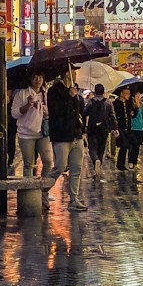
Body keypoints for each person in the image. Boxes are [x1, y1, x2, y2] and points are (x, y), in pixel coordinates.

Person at [47, 69, 87, 211]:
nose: (75, 74)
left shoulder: (74, 90)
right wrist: (68, 97)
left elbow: (78, 112)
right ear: (66, 73)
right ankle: (43, 190)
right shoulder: (54, 91)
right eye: (73, 72)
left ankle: (73, 198)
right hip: (62, 135)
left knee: (76, 168)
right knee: (60, 166)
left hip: (76, 134)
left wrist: (82, 131)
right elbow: (55, 111)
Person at [11, 72, 52, 192]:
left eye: (40, 77)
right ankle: (28, 191)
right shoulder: (22, 94)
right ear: (30, 79)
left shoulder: (46, 94)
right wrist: (27, 106)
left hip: (43, 132)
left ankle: (43, 190)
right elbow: (14, 114)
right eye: (35, 77)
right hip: (26, 133)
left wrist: (46, 111)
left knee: (48, 161)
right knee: (28, 164)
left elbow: (52, 111)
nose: (38, 80)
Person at [85, 82, 118, 178]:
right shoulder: (108, 102)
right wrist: (115, 128)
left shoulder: (90, 102)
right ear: (103, 92)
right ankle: (99, 162)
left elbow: (85, 112)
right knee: (101, 147)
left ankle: (95, 160)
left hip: (92, 128)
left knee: (92, 147)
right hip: (104, 128)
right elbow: (112, 116)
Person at [127, 91, 143, 180]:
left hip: (140, 128)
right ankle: (130, 161)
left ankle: (134, 161)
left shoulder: (142, 105)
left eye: (139, 95)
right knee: (133, 145)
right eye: (137, 96)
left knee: (137, 146)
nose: (138, 97)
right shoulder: (132, 105)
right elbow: (131, 115)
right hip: (133, 128)